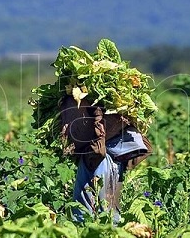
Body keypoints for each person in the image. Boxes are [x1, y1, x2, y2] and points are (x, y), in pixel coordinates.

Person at [60, 96, 152, 224]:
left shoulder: (119, 162)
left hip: (109, 223)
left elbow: (146, 148)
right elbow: (98, 139)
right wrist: (98, 114)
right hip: (85, 222)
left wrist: (132, 120)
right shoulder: (93, 155)